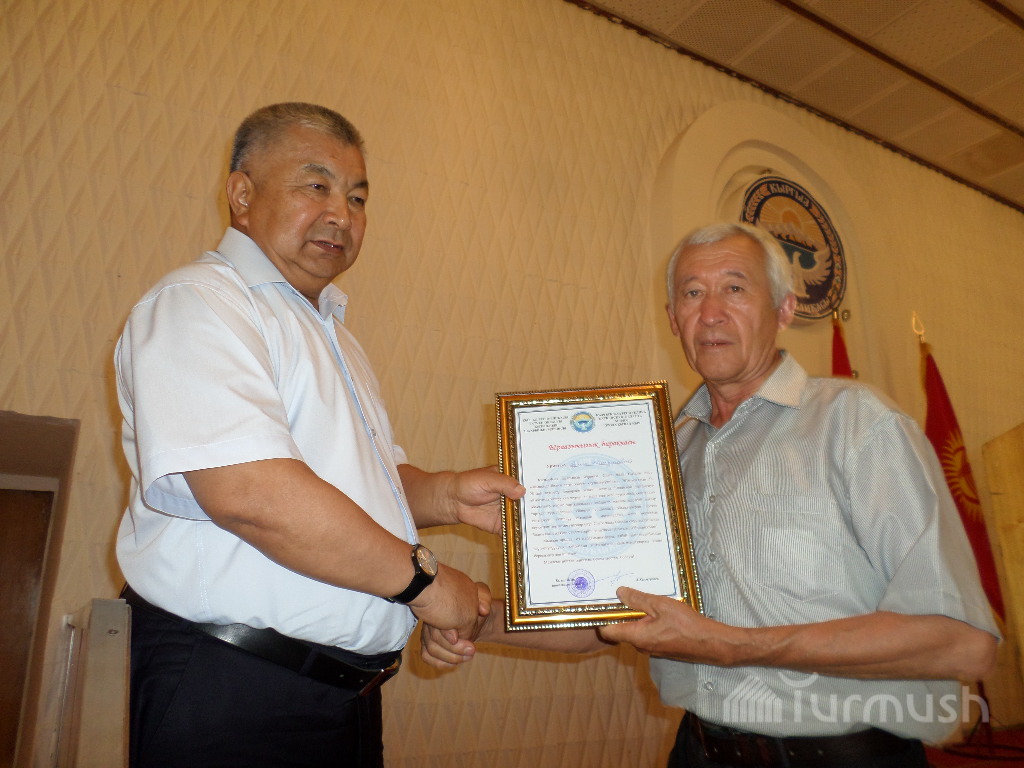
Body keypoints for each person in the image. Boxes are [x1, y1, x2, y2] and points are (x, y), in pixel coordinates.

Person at [422, 221, 999, 768]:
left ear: (784, 309)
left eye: (735, 288)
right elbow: (614, 615)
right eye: (692, 292)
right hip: (698, 751)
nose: (712, 311)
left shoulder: (860, 426)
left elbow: (962, 643)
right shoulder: (661, 452)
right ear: (673, 319)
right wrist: (480, 619)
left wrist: (734, 646)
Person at [114, 102, 524, 768]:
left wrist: (447, 494)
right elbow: (251, 493)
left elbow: (362, 489)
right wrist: (424, 584)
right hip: (229, 688)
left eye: (358, 198)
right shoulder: (202, 302)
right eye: (316, 185)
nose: (342, 214)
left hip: (339, 699)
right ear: (242, 194)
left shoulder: (331, 332)